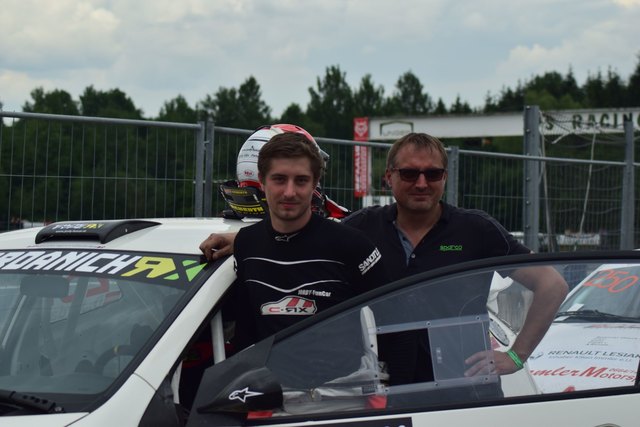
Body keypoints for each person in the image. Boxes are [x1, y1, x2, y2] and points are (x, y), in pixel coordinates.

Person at [200, 132, 568, 378]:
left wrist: (516, 356)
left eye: (432, 174)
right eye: (409, 173)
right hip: (392, 390)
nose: (421, 183)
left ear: (444, 177)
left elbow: (551, 285)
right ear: (388, 177)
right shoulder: (362, 227)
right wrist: (240, 239)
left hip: (464, 389)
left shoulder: (477, 230)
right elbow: (306, 234)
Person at [221, 131, 388, 351]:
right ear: (262, 180)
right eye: (279, 179)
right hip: (266, 374)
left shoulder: (353, 245)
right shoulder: (246, 243)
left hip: (339, 374)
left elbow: (393, 324)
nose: (289, 192)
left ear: (315, 182)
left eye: (301, 180)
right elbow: (246, 331)